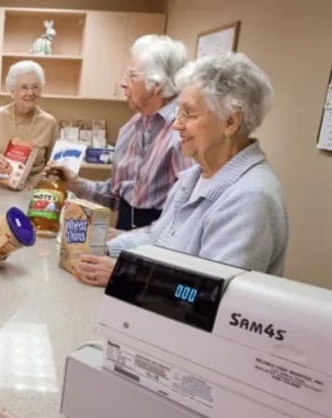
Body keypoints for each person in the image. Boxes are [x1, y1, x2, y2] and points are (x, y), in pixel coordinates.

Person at [75, 52, 289, 287]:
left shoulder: (250, 199)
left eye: (188, 113)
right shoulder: (194, 177)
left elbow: (208, 294)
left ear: (231, 122)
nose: (176, 124)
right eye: (178, 112)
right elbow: (157, 239)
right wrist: (100, 248)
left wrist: (126, 273)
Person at [55, 35, 192, 233]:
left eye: (132, 76)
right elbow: (117, 195)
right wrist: (75, 183)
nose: (122, 83)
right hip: (128, 233)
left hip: (157, 245)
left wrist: (129, 238)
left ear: (157, 84)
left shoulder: (182, 133)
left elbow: (186, 219)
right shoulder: (133, 125)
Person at [0, 60, 59, 189]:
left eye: (35, 87)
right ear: (13, 91)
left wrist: (39, 178)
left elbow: (53, 166)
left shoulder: (49, 123)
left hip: (29, 193)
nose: (30, 93)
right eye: (24, 87)